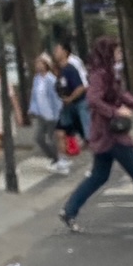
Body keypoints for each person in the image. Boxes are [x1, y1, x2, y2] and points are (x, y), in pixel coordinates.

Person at [58, 37, 133, 234]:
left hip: (105, 134)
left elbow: (122, 95)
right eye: (116, 51)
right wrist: (116, 112)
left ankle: (69, 210)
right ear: (108, 53)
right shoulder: (100, 75)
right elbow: (93, 99)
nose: (119, 54)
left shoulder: (108, 73)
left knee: (99, 175)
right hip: (112, 134)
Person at [53, 38, 88, 171]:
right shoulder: (61, 70)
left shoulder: (70, 69)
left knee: (87, 136)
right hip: (67, 107)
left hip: (77, 106)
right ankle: (63, 160)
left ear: (65, 52)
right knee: (60, 132)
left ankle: (97, 161)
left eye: (58, 50)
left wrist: (70, 98)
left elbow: (80, 87)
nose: (55, 52)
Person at [29, 53, 65, 173]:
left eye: (41, 63)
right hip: (41, 113)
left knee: (52, 138)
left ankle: (58, 160)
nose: (38, 66)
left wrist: (58, 113)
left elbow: (56, 98)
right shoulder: (36, 79)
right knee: (38, 138)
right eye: (37, 64)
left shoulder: (51, 79)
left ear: (46, 65)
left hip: (51, 114)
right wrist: (32, 109)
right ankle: (53, 157)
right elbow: (34, 96)